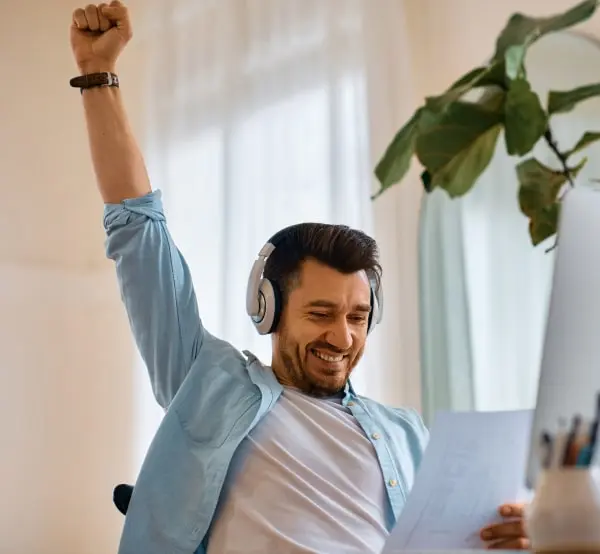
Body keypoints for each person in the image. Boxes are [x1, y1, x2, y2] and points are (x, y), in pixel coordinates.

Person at [69, 2, 530, 552]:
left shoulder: (407, 433)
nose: (343, 337)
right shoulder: (207, 385)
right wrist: (99, 78)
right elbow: (139, 234)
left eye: (358, 316)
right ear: (267, 308)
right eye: (320, 314)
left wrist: (513, 532)